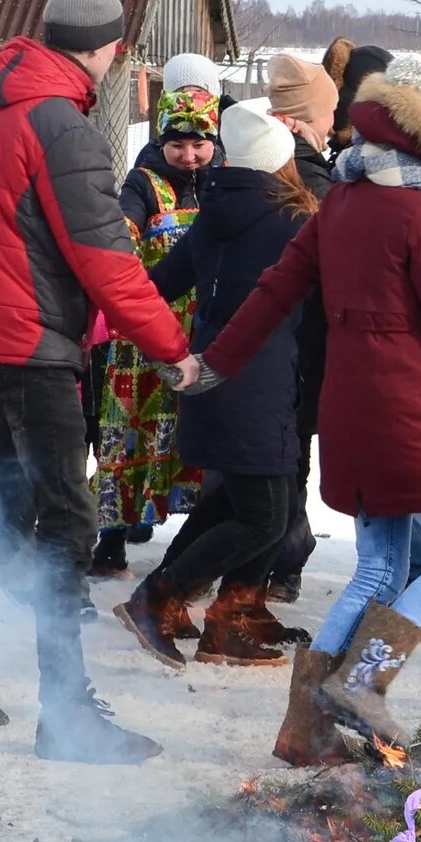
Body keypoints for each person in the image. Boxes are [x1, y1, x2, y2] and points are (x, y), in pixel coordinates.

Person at [185, 65, 421, 764]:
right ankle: (365, 680)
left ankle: (305, 726)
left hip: (349, 400)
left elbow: (276, 285)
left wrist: (218, 358)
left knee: (379, 567)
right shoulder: (419, 213)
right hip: (401, 405)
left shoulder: (343, 196)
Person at [0, 0, 193, 764]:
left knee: (6, 516)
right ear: (113, 51)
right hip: (35, 346)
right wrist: (174, 349)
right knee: (69, 521)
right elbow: (108, 260)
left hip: (3, 345)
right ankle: (66, 714)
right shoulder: (62, 125)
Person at [116, 100, 316, 669]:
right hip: (260, 382)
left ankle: (187, 604)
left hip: (210, 373)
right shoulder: (296, 222)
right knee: (265, 517)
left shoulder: (212, 211)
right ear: (282, 161)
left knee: (230, 501)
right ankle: (156, 600)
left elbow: (163, 283)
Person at [87, 85, 218, 579]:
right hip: (145, 333)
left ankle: (196, 548)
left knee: (199, 439)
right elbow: (123, 236)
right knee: (128, 439)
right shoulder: (142, 184)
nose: (188, 155)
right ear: (161, 140)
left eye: (199, 143)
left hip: (203, 333)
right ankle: (112, 539)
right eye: (177, 144)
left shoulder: (224, 181)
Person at [261, 52, 340, 603]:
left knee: (274, 448)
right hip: (301, 334)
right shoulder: (313, 179)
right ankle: (283, 556)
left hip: (267, 333)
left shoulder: (256, 159)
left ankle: (277, 554)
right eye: (330, 113)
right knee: (290, 448)